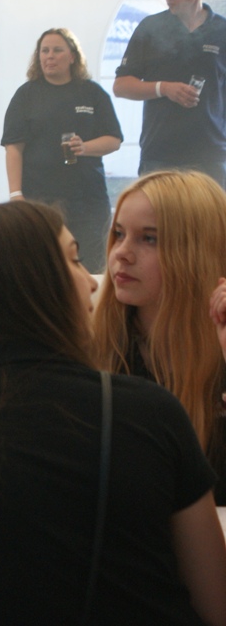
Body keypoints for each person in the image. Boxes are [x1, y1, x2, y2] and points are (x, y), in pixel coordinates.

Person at [0, 201, 226, 625]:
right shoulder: (147, 413)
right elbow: (217, 603)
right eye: (75, 261)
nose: (92, 282)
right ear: (35, 286)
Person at [94, 170, 226, 504]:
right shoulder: (94, 349)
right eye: (119, 234)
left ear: (197, 253)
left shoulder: (220, 349)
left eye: (149, 239)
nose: (121, 253)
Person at [2, 27, 123, 272]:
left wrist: (85, 147)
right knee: (43, 268)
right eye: (44, 51)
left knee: (91, 266)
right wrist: (16, 195)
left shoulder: (92, 93)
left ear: (72, 57)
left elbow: (114, 140)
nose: (50, 56)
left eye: (57, 50)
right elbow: (13, 148)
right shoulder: (26, 95)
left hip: (88, 200)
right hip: (41, 199)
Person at [114, 0, 226, 186]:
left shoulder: (221, 30)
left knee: (209, 212)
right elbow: (121, 86)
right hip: (160, 153)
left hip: (210, 154)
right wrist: (163, 88)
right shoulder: (150, 27)